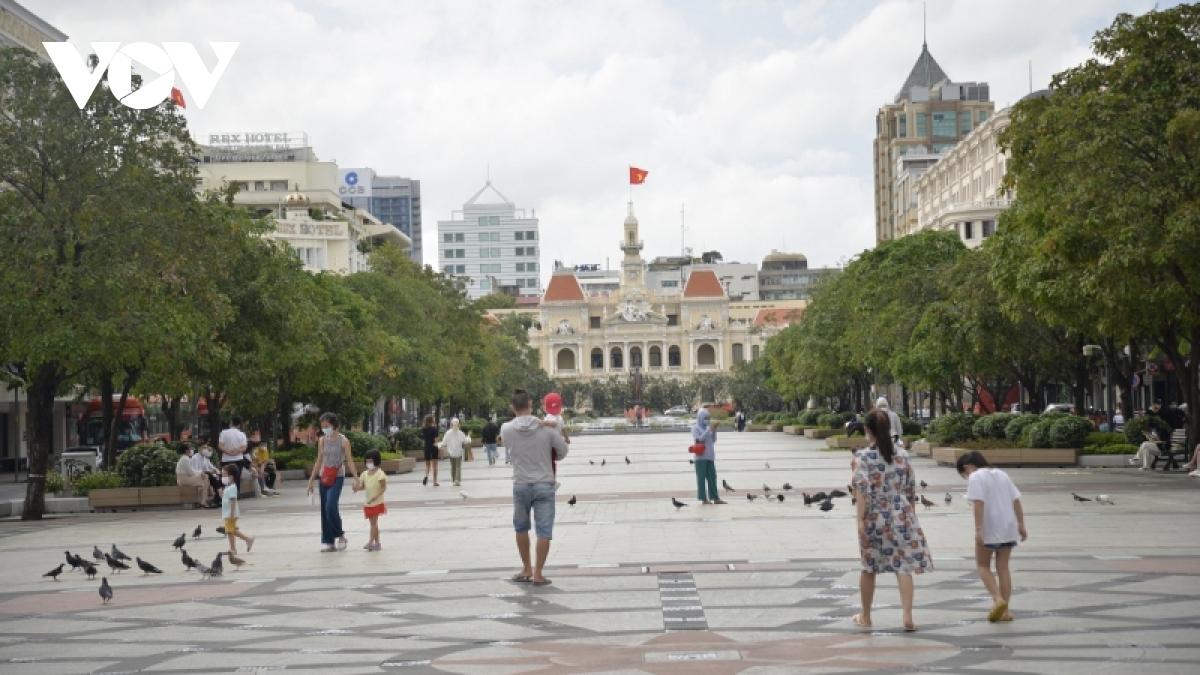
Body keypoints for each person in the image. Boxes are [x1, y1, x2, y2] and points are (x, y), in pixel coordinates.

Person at [850, 408, 932, 632]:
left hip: (875, 515)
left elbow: (862, 491)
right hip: (902, 513)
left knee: (869, 567)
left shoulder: (864, 457)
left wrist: (860, 521)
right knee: (903, 566)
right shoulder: (903, 455)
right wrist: (911, 516)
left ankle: (865, 615)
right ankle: (907, 616)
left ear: (867, 430)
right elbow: (910, 488)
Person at [503, 389, 569, 586]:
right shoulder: (547, 429)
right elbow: (563, 451)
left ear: (512, 407)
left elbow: (508, 447)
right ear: (531, 404)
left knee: (521, 527)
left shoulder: (506, 429)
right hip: (544, 484)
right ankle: (539, 574)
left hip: (521, 484)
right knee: (543, 530)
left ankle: (526, 568)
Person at [956, 450, 1027, 623]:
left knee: (982, 566)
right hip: (1008, 526)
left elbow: (978, 502)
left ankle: (998, 599)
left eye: (964, 474)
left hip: (990, 527)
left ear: (967, 467)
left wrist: (978, 529)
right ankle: (1006, 610)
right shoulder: (1002, 474)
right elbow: (1016, 499)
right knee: (1003, 568)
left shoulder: (976, 477)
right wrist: (1021, 524)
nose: (966, 476)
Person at [306, 413, 358, 552]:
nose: (324, 428)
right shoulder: (322, 440)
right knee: (325, 509)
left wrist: (356, 479)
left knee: (330, 506)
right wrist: (310, 481)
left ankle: (341, 535)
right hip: (324, 476)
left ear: (334, 425)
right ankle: (329, 541)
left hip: (337, 476)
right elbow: (319, 461)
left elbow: (350, 461)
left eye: (327, 426)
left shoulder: (343, 441)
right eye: (322, 426)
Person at [352, 448, 387, 551]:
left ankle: (371, 542)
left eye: (371, 461)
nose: (369, 463)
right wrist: (356, 488)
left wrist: (377, 495)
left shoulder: (380, 474)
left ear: (376, 461)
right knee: (374, 524)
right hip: (368, 503)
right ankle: (377, 543)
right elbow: (363, 486)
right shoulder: (364, 474)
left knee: (373, 523)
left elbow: (384, 487)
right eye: (367, 461)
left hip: (377, 502)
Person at [691, 408, 727, 505]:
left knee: (712, 477)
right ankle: (704, 499)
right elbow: (698, 440)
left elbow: (713, 440)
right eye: (705, 418)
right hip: (700, 458)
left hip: (710, 457)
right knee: (701, 479)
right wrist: (708, 431)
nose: (707, 420)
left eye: (708, 418)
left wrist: (714, 431)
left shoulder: (708, 428)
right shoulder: (695, 428)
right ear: (700, 418)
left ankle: (715, 498)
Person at [220, 464, 255, 555]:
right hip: (228, 513)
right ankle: (247, 540)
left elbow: (233, 501)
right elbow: (226, 499)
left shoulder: (232, 488)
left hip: (230, 513)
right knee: (232, 530)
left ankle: (233, 548)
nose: (222, 478)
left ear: (231, 477)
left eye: (224, 476)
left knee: (230, 531)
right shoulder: (228, 487)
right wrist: (221, 494)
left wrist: (231, 514)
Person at [191, 439, 222, 506]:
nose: (206, 449)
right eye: (204, 448)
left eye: (206, 448)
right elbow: (195, 470)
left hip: (207, 475)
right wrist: (208, 472)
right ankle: (214, 501)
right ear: (199, 448)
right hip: (200, 476)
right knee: (212, 478)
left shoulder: (205, 458)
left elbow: (211, 466)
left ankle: (217, 500)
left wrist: (218, 472)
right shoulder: (195, 458)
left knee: (219, 480)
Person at [440, 418, 470, 487]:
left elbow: (444, 442)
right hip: (458, 452)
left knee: (452, 467)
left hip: (451, 452)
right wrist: (469, 437)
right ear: (458, 424)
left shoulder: (448, 433)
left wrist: (438, 445)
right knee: (458, 466)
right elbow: (466, 441)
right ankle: (457, 480)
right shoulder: (460, 433)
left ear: (451, 424)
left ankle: (454, 479)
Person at [421, 414, 440, 486]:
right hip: (434, 448)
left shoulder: (424, 429)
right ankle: (434, 482)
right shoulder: (434, 429)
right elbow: (436, 440)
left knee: (427, 464)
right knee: (435, 466)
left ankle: (426, 476)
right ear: (432, 420)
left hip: (426, 448)